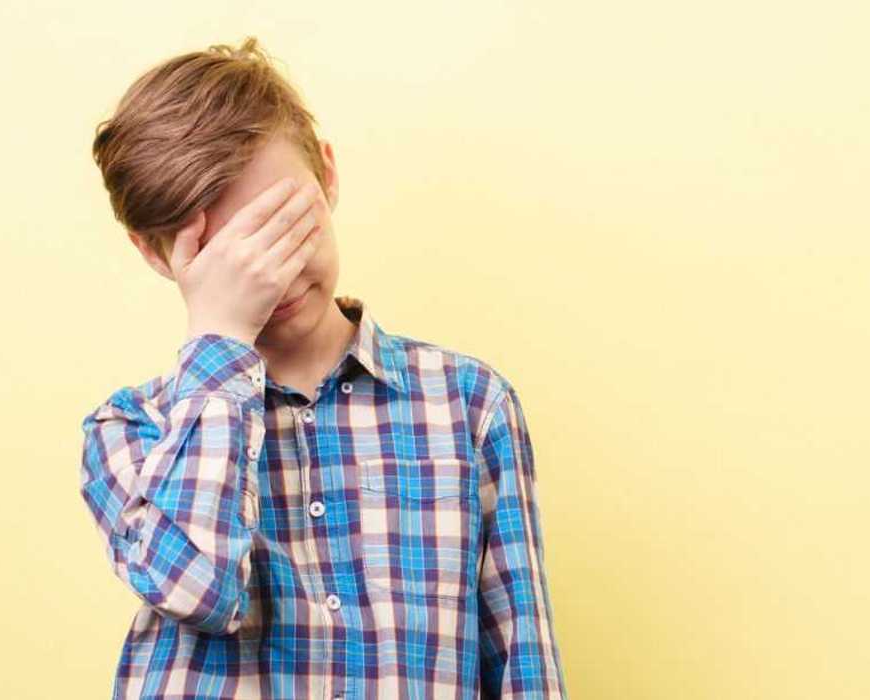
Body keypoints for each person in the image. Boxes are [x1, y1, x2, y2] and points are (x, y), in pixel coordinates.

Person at [79, 36, 567, 699]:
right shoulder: (132, 428)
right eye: (226, 252)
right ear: (153, 253)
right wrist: (221, 333)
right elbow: (195, 588)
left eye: (284, 224)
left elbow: (522, 664)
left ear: (327, 175)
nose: (270, 273)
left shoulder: (469, 404)